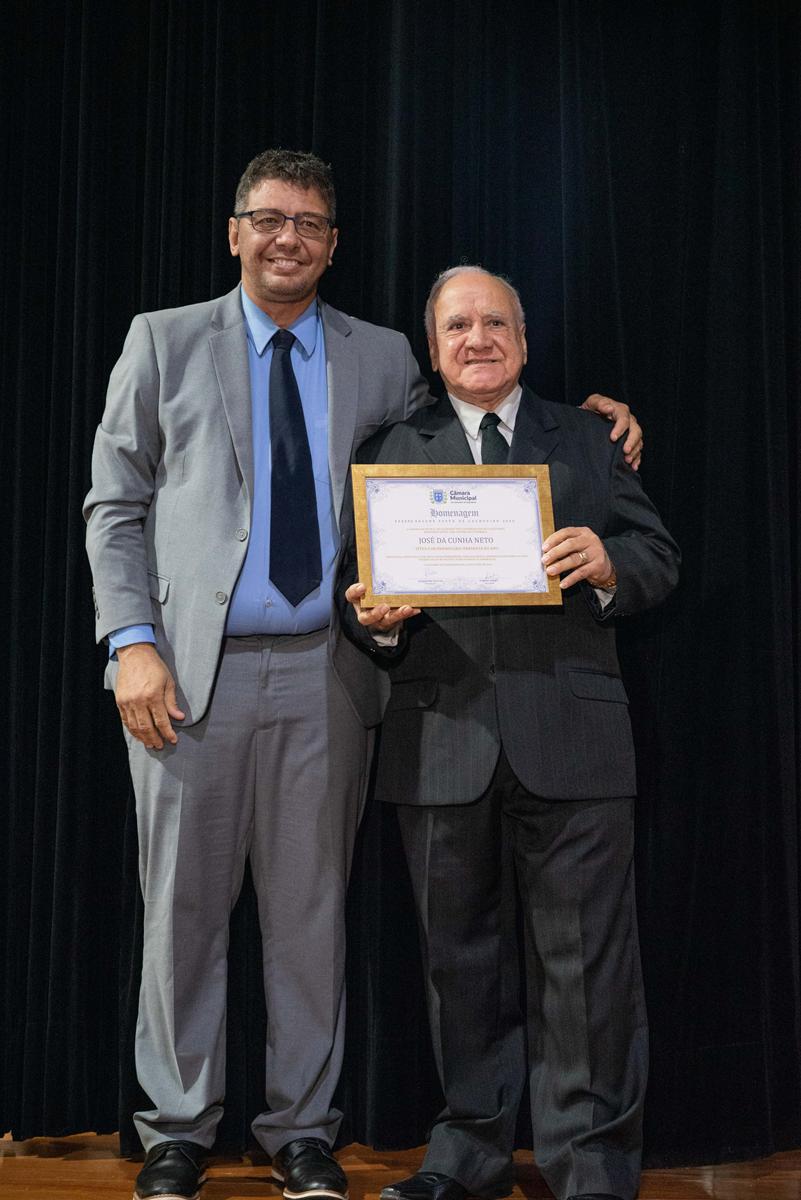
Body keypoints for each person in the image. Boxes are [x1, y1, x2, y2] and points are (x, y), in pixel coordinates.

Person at [84, 148, 643, 1200]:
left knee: (310, 917)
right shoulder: (162, 341)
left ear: (334, 244)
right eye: (268, 219)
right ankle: (176, 1132)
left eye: (309, 223)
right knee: (182, 914)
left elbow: (476, 422)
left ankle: (301, 1129)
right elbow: (114, 504)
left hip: (332, 673)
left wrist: (599, 421)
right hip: (186, 677)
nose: (287, 238)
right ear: (235, 232)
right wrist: (132, 643)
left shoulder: (382, 355)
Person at [343, 267, 679, 1200]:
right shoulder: (388, 450)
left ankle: (591, 1166)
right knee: (459, 967)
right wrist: (374, 621)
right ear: (433, 346)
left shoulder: (588, 438)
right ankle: (466, 1153)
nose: (477, 339)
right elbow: (352, 593)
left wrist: (610, 562)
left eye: (495, 322)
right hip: (438, 740)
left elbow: (658, 556)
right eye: (457, 326)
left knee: (588, 970)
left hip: (574, 738)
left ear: (523, 341)